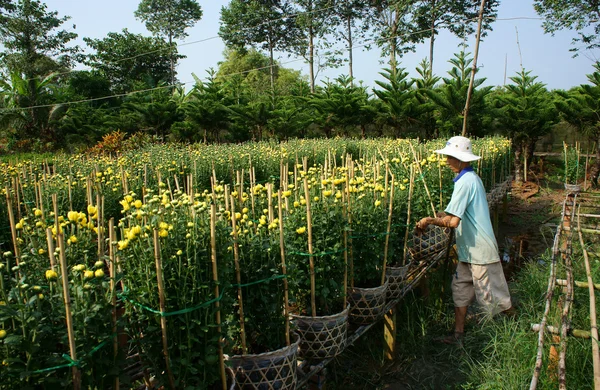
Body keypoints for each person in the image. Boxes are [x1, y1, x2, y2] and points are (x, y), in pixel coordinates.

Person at [416, 136, 513, 345]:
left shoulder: (466, 182)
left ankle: (504, 335)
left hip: (480, 251)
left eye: (450, 157)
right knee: (460, 289)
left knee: (494, 298)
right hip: (468, 251)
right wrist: (441, 216)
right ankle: (458, 336)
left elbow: (453, 222)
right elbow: (454, 214)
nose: (447, 161)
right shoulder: (468, 179)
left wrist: (430, 220)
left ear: (460, 159)